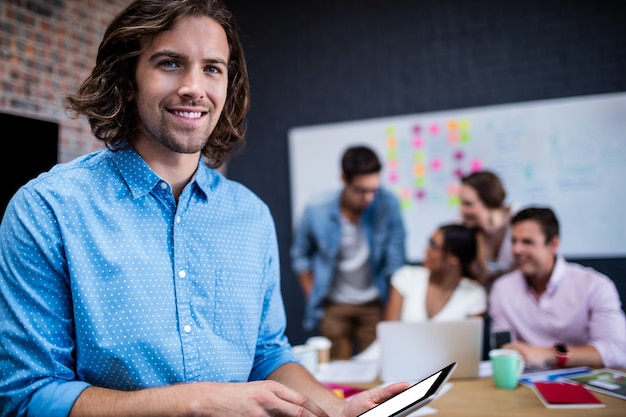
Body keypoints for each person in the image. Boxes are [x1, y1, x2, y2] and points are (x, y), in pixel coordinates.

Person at [0, 1, 410, 416]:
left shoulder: (250, 215)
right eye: (170, 63)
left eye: (212, 68)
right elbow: (27, 396)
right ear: (127, 80)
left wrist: (334, 408)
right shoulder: (48, 209)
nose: (195, 87)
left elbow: (267, 355)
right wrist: (192, 402)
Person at [290, 145, 406, 360]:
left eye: (374, 189)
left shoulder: (388, 205)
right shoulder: (316, 209)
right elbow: (300, 256)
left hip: (374, 303)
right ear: (344, 180)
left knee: (375, 370)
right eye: (362, 190)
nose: (369, 198)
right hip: (333, 305)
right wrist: (312, 296)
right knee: (336, 374)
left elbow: (396, 264)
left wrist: (391, 318)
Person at [489, 207, 626, 369]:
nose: (516, 250)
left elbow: (618, 352)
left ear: (553, 244)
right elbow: (503, 351)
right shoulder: (502, 289)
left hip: (582, 381)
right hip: (525, 383)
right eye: (513, 241)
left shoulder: (594, 285)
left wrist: (549, 354)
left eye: (527, 242)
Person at [384, 224, 487, 322]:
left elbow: (471, 339)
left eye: (433, 245)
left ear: (454, 258)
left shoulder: (474, 293)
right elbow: (390, 333)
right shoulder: (406, 277)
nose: (426, 249)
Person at [459, 170, 516, 288]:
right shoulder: (464, 227)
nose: (462, 210)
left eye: (468, 204)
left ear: (489, 201)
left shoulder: (520, 221)